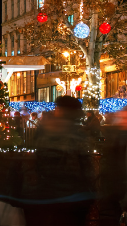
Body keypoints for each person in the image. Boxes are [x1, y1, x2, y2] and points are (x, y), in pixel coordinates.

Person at [26, 96, 94, 226]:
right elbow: (86, 167)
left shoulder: (46, 131)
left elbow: (37, 160)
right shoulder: (78, 134)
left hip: (49, 195)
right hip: (73, 197)